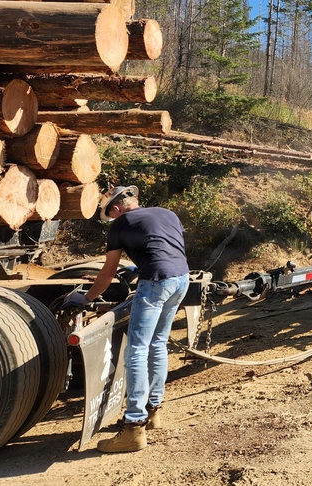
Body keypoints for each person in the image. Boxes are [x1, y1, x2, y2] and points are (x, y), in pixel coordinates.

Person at [63, 185, 190, 453]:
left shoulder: (121, 224)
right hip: (181, 279)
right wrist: (137, 265)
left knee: (136, 351)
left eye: (111, 214)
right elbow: (163, 246)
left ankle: (133, 427)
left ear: (117, 208)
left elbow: (108, 272)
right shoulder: (167, 213)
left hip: (155, 283)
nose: (112, 219)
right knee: (157, 344)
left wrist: (85, 299)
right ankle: (153, 411)